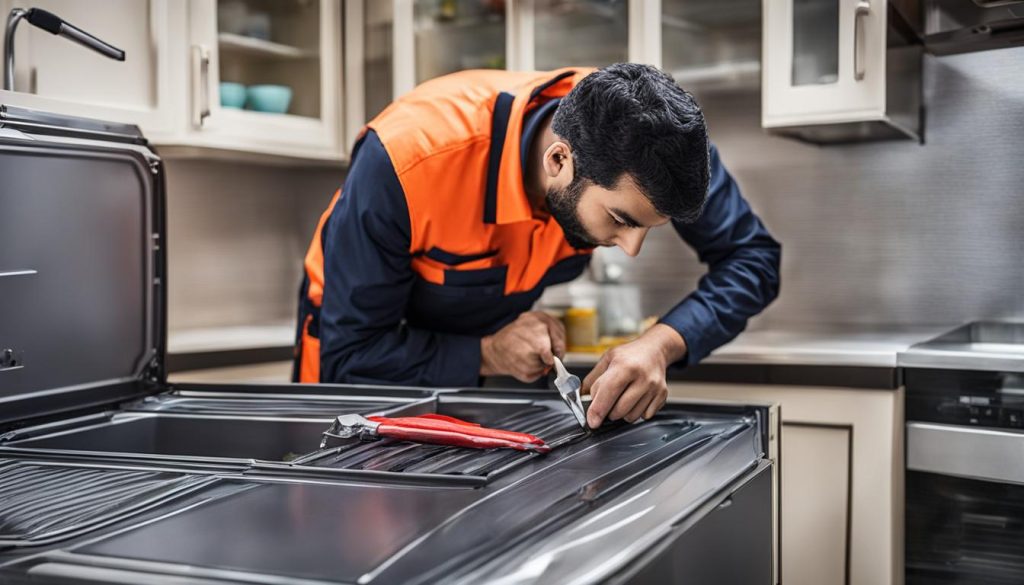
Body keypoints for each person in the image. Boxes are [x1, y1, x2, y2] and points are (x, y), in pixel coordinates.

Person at [294, 63, 780, 428]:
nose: (631, 250)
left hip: (467, 382)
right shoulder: (406, 162)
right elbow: (352, 356)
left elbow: (753, 259)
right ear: (558, 160)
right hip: (357, 377)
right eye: (619, 220)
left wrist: (661, 344)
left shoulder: (658, 141)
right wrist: (488, 352)